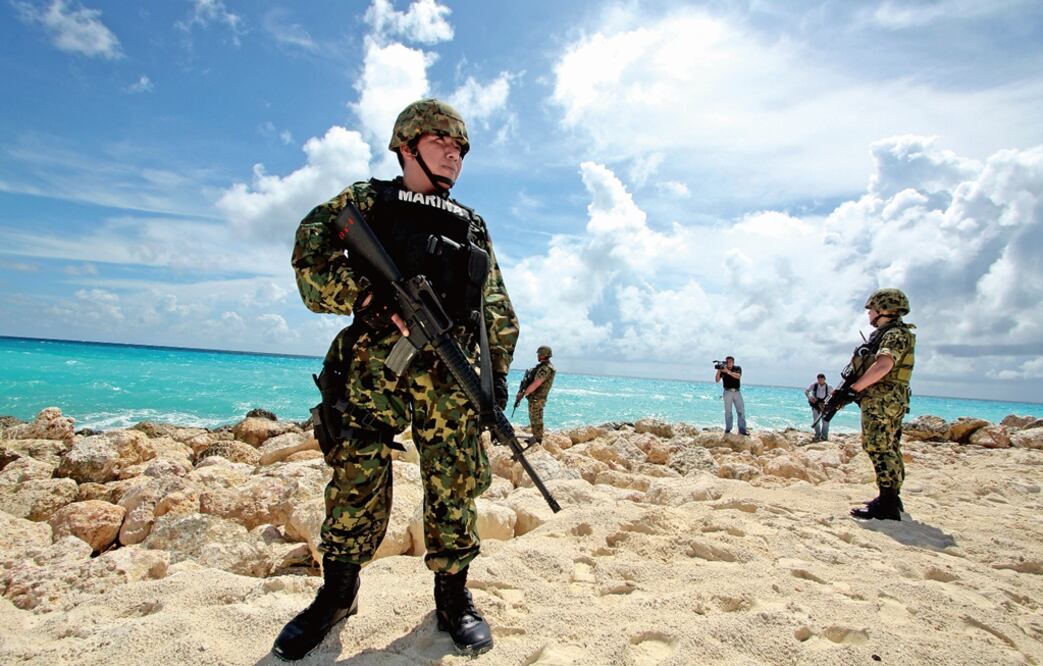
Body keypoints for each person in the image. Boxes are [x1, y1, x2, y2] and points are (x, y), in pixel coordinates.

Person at [274, 99, 518, 660]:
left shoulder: (471, 223)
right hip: (370, 372)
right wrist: (369, 295)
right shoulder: (364, 202)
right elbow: (309, 261)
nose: (454, 157)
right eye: (442, 145)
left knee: (456, 483)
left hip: (449, 378)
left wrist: (495, 377)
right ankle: (337, 596)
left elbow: (496, 307)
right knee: (355, 477)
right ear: (407, 147)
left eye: (460, 150)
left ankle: (453, 600)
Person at [847, 288, 916, 521]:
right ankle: (891, 497)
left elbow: (884, 364)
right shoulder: (895, 333)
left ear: (884, 310)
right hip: (891, 398)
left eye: (872, 310)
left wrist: (856, 388)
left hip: (883, 399)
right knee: (890, 447)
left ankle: (887, 503)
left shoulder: (894, 334)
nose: (869, 315)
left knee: (877, 446)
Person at [516, 345, 556, 444]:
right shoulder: (542, 367)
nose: (537, 355)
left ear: (543, 355)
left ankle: (538, 440)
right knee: (534, 417)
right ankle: (535, 438)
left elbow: (536, 383)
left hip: (538, 397)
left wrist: (523, 393)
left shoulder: (546, 368)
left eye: (539, 354)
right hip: (535, 397)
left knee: (537, 418)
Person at [714, 356, 748, 435]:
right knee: (728, 412)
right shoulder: (723, 370)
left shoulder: (737, 368)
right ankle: (728, 429)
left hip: (737, 392)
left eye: (730, 361)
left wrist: (728, 372)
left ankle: (742, 430)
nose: (728, 363)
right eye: (727, 362)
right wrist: (719, 371)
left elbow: (738, 376)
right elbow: (717, 380)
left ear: (733, 362)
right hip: (727, 392)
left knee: (741, 411)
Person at [805, 373, 832, 441]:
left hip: (825, 406)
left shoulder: (828, 387)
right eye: (819, 379)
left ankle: (824, 436)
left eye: (821, 379)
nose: (820, 381)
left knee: (825, 422)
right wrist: (810, 397)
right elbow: (806, 391)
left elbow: (833, 395)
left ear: (824, 379)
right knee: (816, 422)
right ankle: (817, 434)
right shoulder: (814, 385)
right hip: (816, 405)